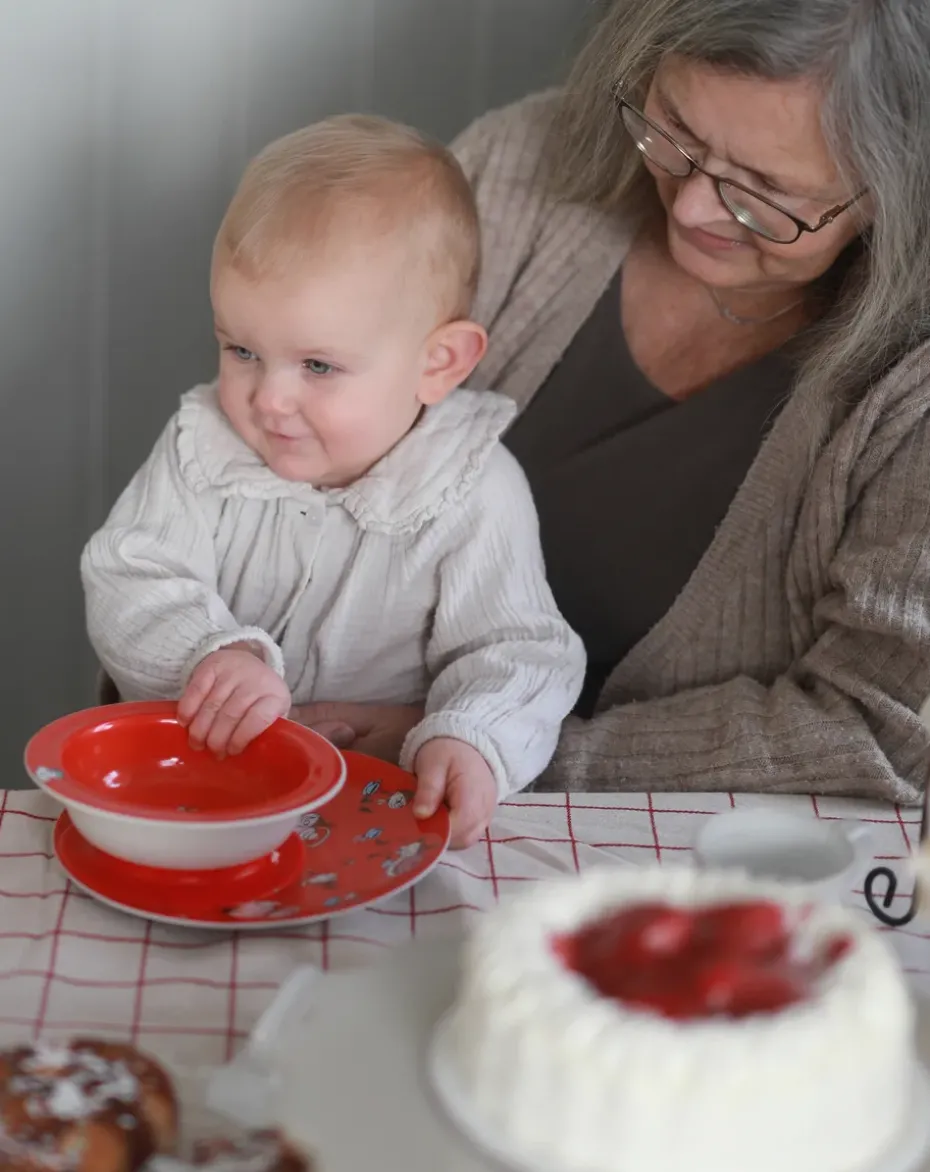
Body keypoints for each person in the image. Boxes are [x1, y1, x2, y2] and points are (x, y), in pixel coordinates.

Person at [293, 0, 930, 805]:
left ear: (897, 190)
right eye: (676, 132)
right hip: (347, 777)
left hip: (681, 871)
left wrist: (504, 753)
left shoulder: (911, 384)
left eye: (765, 191)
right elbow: (294, 420)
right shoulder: (525, 170)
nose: (694, 207)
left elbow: (876, 729)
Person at [80, 115, 585, 848]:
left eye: (317, 365)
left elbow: (519, 649)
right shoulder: (203, 447)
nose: (268, 398)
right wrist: (213, 654)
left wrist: (473, 737)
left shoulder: (473, 488)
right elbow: (129, 572)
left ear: (439, 363)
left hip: (380, 808)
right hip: (209, 796)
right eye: (242, 349)